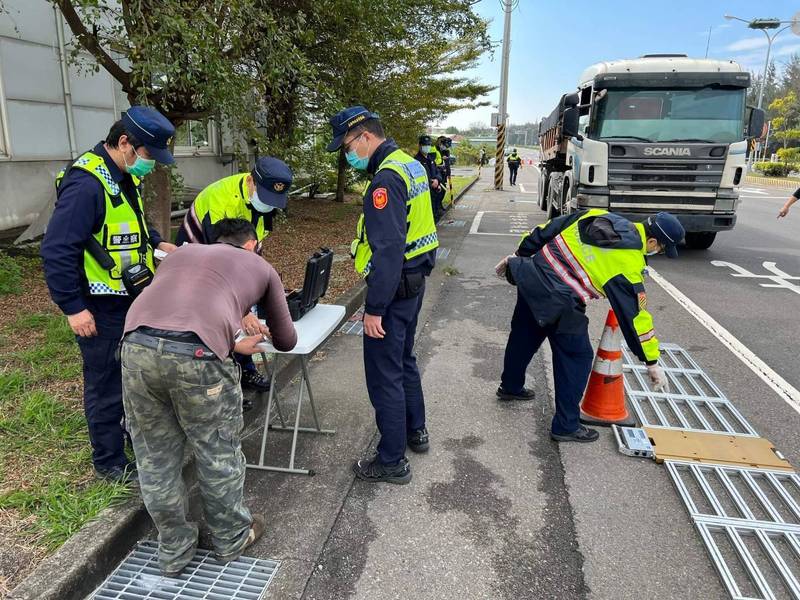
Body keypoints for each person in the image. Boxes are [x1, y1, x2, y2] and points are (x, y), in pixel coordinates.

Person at [121, 218, 297, 577]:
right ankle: (231, 537)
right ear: (250, 244)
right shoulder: (260, 265)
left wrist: (229, 342)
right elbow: (287, 341)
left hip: (135, 349)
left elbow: (176, 317)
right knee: (216, 450)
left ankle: (174, 548)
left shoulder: (180, 255)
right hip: (198, 360)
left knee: (154, 456)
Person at [41, 106, 177, 482]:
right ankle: (109, 461)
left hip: (128, 295)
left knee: (130, 375)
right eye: (149, 155)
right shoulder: (87, 183)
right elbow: (57, 248)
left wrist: (160, 245)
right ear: (124, 143)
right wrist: (72, 307)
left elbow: (134, 222)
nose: (152, 164)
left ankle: (129, 439)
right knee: (105, 382)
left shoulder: (119, 174)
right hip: (98, 304)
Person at [494, 209, 685, 443]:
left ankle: (510, 387)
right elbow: (635, 318)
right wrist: (651, 362)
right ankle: (566, 426)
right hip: (561, 300)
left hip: (532, 274)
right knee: (577, 357)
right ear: (653, 241)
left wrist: (517, 255)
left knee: (524, 336)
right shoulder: (628, 263)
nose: (658, 252)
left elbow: (546, 230)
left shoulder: (597, 214)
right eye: (661, 249)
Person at [327, 106, 438, 484]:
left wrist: (374, 309)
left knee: (384, 375)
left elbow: (388, 248)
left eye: (347, 147)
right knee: (403, 360)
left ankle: (392, 461)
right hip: (414, 282)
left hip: (393, 289)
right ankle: (415, 431)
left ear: (364, 137)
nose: (348, 155)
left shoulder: (385, 181)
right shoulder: (411, 165)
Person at [175, 157, 293, 395]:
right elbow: (221, 266)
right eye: (266, 196)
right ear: (251, 181)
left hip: (229, 264)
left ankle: (244, 372)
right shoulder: (221, 201)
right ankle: (224, 384)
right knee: (218, 319)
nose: (268, 205)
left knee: (244, 321)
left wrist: (259, 302)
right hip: (198, 265)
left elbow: (252, 254)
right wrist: (244, 312)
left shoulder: (265, 204)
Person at [415, 134, 444, 221]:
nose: (427, 147)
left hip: (434, 192)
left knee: (435, 216)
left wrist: (437, 181)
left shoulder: (431, 159)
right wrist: (432, 182)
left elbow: (437, 172)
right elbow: (418, 177)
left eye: (428, 145)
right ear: (420, 146)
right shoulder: (416, 161)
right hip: (425, 193)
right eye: (424, 145)